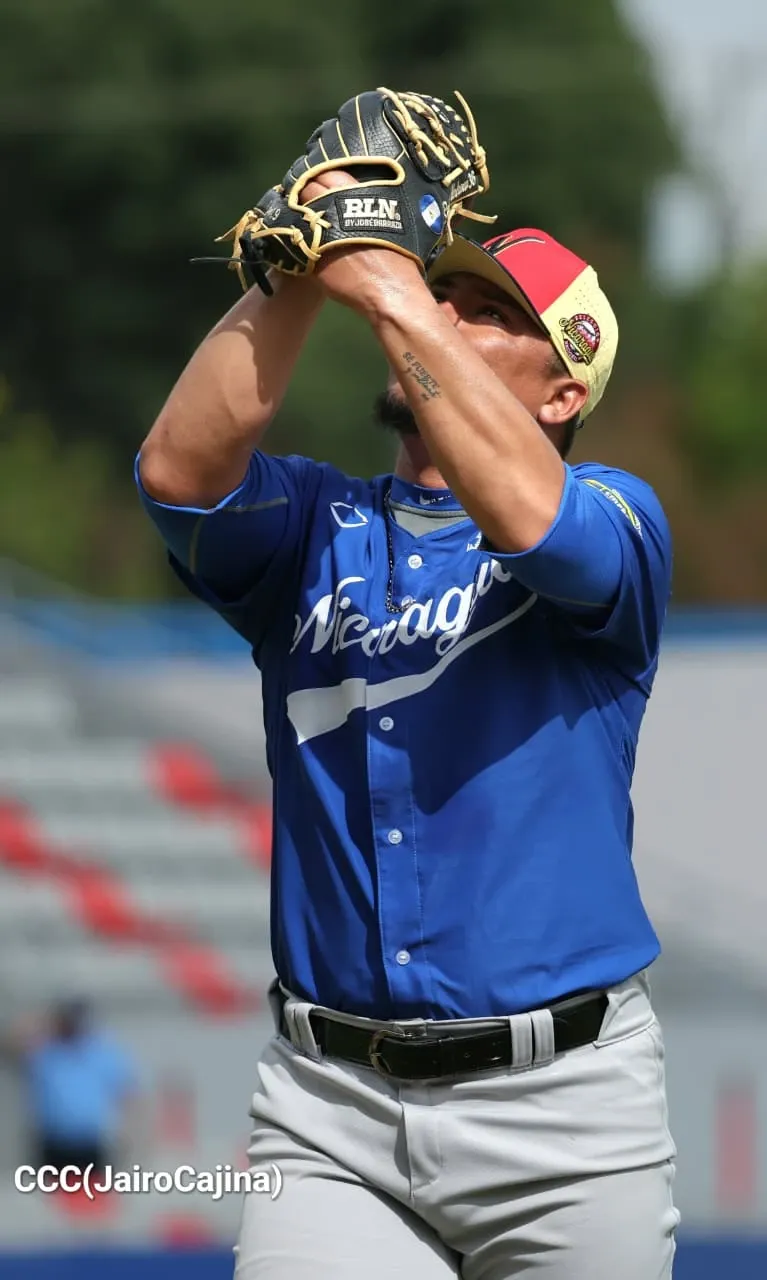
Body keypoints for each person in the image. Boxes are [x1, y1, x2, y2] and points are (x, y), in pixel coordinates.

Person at [136, 163, 679, 1279]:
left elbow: (537, 523)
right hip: (328, 1108)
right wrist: (297, 260)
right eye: (447, 294)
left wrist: (385, 288)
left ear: (562, 393)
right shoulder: (316, 525)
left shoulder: (619, 515)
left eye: (490, 315)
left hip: (566, 1115)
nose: (445, 317)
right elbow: (179, 471)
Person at [3, 996, 139, 1180]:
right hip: (52, 1144)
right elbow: (10, 1042)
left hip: (90, 1143)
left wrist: (127, 1133)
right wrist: (44, 1021)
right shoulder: (45, 1050)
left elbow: (126, 1092)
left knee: (91, 1197)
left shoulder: (100, 1052)